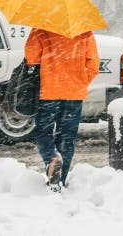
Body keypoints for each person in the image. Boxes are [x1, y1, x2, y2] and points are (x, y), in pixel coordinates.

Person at [24, 28, 99, 191]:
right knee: (66, 136)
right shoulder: (84, 31)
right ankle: (59, 181)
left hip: (49, 90)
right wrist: (80, 81)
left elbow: (31, 59)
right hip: (74, 92)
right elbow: (93, 65)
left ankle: (51, 158)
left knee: (42, 132)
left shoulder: (41, 29)